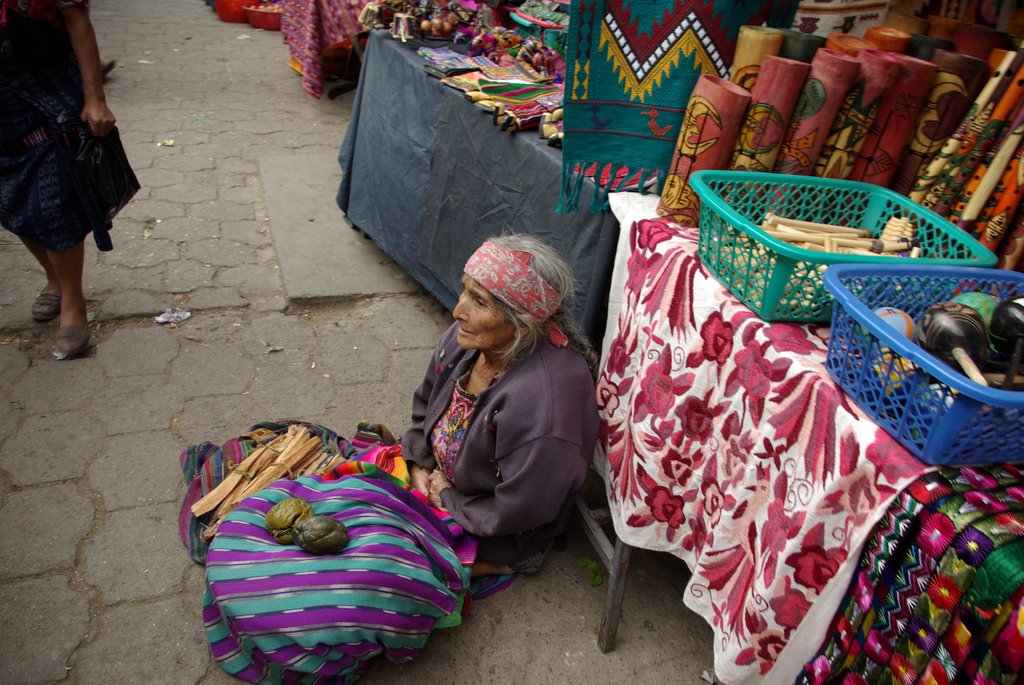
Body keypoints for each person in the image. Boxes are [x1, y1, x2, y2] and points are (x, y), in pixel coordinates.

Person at [402, 234, 600, 576]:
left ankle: (507, 563)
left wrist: (449, 498)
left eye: (478, 302)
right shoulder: (465, 340)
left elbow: (525, 507)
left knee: (393, 566)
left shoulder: (544, 404)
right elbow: (426, 403)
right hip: (440, 484)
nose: (458, 310)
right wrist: (419, 462)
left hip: (496, 528)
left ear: (520, 323)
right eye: (465, 289)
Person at [0, 0, 116, 359]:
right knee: (11, 198)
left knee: (53, 199)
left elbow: (77, 20)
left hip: (45, 82)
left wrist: (95, 97)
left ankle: (72, 302)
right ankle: (54, 276)